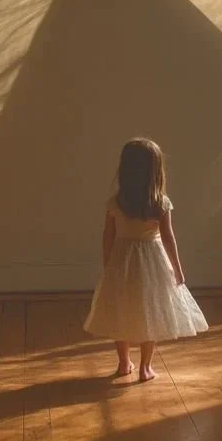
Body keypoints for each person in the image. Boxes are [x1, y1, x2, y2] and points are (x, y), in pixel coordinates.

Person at [84, 138, 208, 381]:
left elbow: (108, 235)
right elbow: (168, 239)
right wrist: (177, 269)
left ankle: (124, 363)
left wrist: (108, 264)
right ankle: (145, 368)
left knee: (121, 310)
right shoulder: (160, 203)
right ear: (155, 171)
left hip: (122, 261)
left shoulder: (116, 203)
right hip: (153, 263)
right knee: (151, 311)